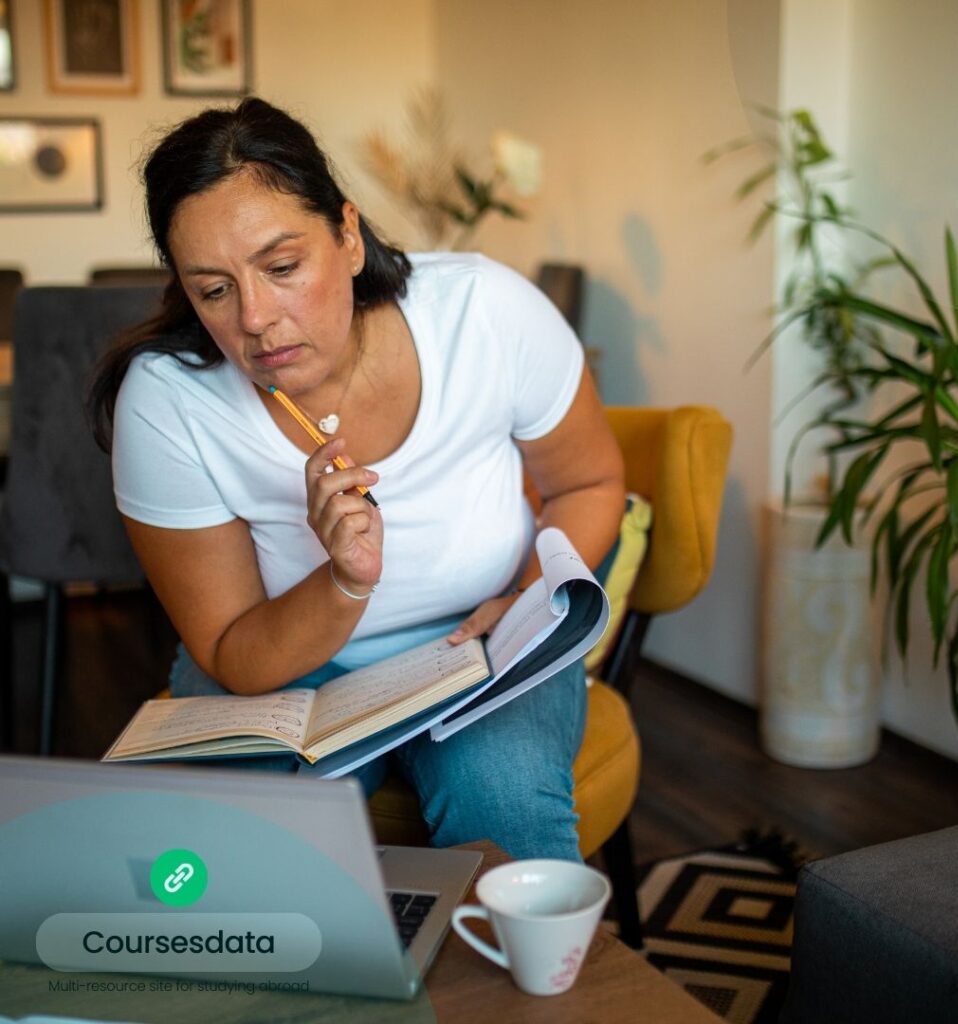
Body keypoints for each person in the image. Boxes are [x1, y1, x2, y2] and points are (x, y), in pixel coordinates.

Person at [88, 97, 624, 862]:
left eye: (282, 267)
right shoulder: (169, 400)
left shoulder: (484, 311)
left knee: (504, 804)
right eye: (213, 289)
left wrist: (524, 601)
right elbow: (235, 651)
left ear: (345, 233)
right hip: (280, 668)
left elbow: (589, 482)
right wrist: (343, 581)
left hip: (480, 639)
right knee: (244, 857)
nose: (257, 319)